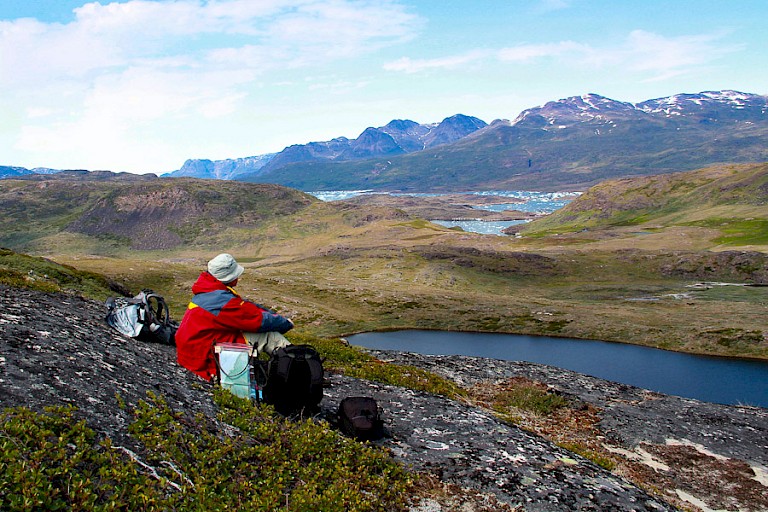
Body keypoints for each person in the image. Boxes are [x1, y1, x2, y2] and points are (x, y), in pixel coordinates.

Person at [175, 253, 293, 381]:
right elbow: (257, 320)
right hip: (204, 361)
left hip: (194, 353)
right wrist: (285, 323)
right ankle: (296, 370)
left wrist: (272, 316)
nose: (238, 277)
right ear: (228, 277)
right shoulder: (222, 301)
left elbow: (248, 309)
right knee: (270, 336)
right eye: (236, 274)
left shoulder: (208, 291)